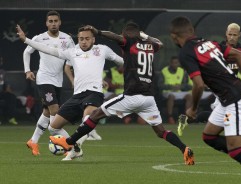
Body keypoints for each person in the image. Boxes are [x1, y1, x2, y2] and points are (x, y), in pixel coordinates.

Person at [48, 22, 195, 165]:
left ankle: (68, 142)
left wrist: (97, 32)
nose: (122, 35)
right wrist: (144, 36)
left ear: (130, 34)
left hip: (132, 96)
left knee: (95, 114)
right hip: (149, 99)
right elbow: (160, 44)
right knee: (161, 131)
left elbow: (114, 36)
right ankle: (184, 148)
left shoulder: (129, 43)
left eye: (125, 33)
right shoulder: (150, 46)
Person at [170, 16, 241, 184]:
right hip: (228, 98)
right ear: (192, 30)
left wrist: (192, 108)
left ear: (173, 36)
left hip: (235, 99)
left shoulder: (186, 52)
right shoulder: (209, 43)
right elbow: (238, 55)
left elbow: (199, 85)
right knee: (209, 136)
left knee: (235, 150)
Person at [17, 24, 124, 161]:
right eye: (81, 39)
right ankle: (75, 149)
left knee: (87, 119)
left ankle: (76, 143)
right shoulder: (72, 52)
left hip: (94, 93)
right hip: (77, 95)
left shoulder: (102, 50)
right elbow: (48, 50)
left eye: (87, 38)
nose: (84, 41)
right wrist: (26, 40)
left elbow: (122, 61)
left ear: (93, 40)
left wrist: (137, 64)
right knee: (53, 127)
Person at [178, 23, 241, 152]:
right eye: (230, 34)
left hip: (232, 87)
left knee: (227, 118)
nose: (232, 37)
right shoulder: (218, 47)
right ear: (226, 34)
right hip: (221, 89)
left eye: (235, 35)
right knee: (229, 117)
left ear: (239, 35)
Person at [23, 10, 77, 156]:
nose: (53, 24)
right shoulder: (39, 38)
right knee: (55, 111)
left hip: (58, 81)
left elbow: (74, 57)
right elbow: (27, 52)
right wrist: (27, 70)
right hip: (44, 79)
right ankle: (70, 145)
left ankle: (33, 141)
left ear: (60, 22)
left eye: (55, 21)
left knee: (47, 112)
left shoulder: (67, 38)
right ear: (46, 23)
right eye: (50, 21)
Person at [159, 56, 192, 124]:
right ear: (170, 63)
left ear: (178, 63)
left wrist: (180, 86)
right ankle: (170, 117)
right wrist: (171, 87)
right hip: (167, 92)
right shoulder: (164, 71)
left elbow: (188, 86)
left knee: (189, 96)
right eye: (173, 63)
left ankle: (186, 118)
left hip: (179, 92)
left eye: (176, 63)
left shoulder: (182, 71)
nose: (174, 64)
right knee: (171, 96)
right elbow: (160, 85)